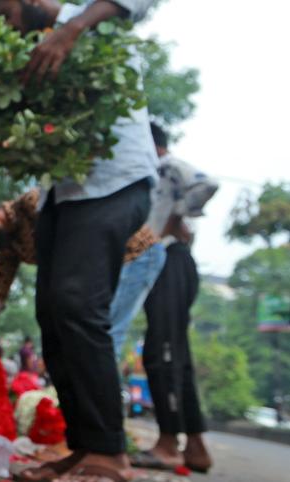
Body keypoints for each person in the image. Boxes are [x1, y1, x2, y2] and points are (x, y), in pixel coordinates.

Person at [0, 2, 160, 480]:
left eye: (6, 11)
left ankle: (111, 452)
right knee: (51, 311)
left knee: (75, 302)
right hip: (65, 192)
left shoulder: (87, 20)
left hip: (117, 182)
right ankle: (85, 444)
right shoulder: (36, 49)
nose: (6, 24)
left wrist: (72, 28)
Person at [131, 123, 217, 474]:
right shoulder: (152, 173)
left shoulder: (164, 166)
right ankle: (195, 446)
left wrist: (178, 215)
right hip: (166, 262)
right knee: (176, 354)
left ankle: (168, 443)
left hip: (169, 260)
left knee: (161, 353)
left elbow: (207, 182)